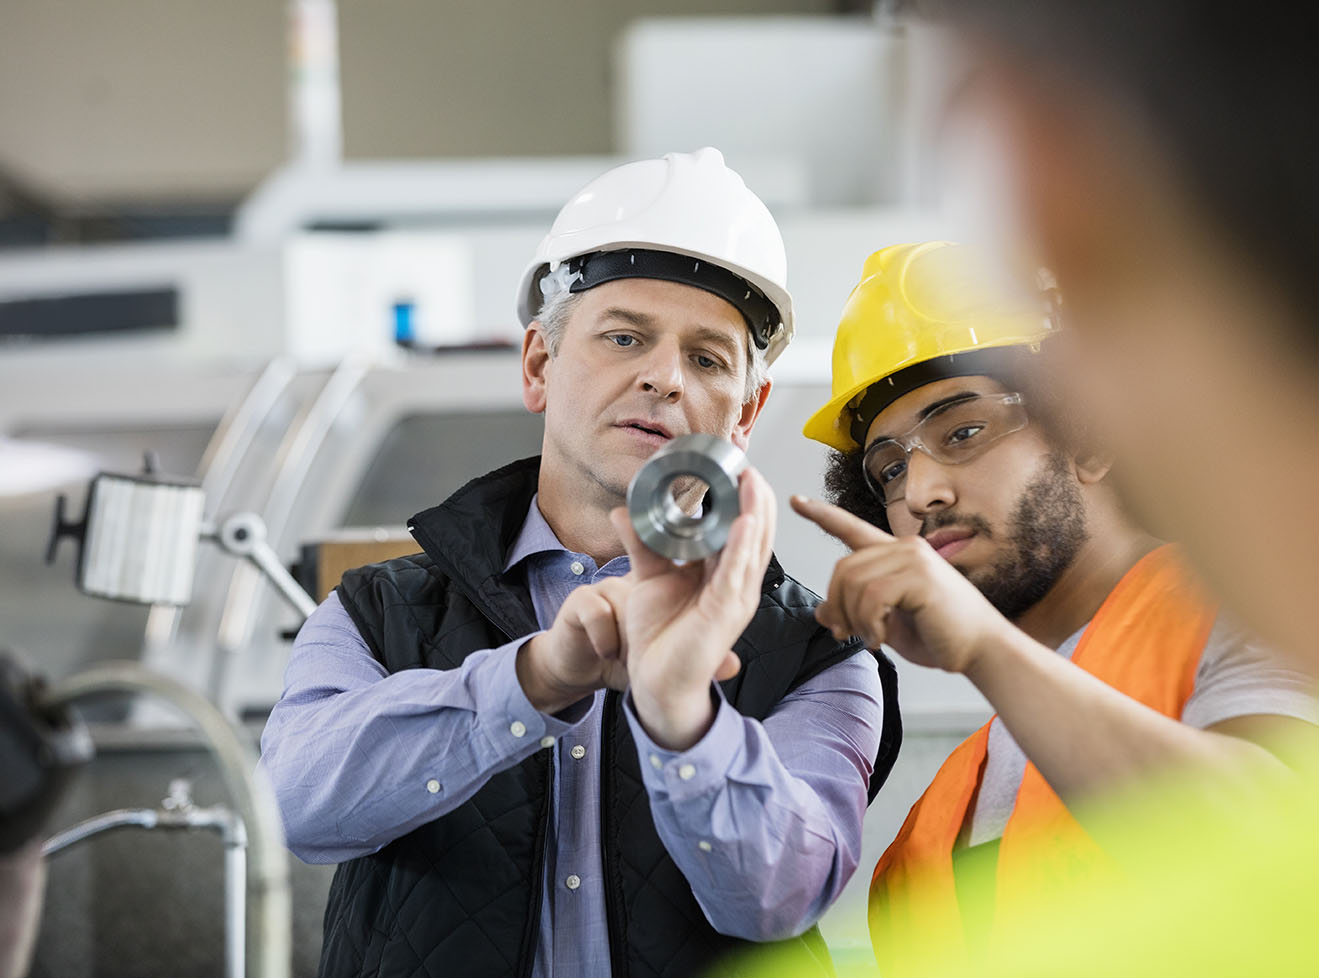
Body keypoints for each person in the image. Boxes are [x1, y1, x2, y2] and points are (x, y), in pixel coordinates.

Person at [258, 148, 901, 978]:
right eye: (624, 337)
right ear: (537, 365)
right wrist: (532, 679)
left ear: (745, 411)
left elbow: (780, 897)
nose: (664, 378)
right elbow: (293, 807)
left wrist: (683, 717)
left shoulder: (822, 654)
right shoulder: (374, 614)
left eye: (707, 359)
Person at [789, 241, 1316, 974]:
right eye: (890, 469)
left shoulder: (1255, 609)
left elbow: (1277, 850)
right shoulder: (927, 833)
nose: (919, 493)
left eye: (963, 433)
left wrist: (983, 650)